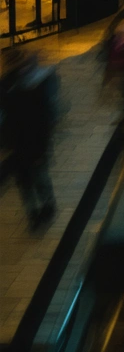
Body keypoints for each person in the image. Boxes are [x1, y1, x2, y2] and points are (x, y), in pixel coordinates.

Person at [0, 49, 59, 230]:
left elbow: (43, 119)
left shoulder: (26, 87)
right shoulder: (11, 85)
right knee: (31, 179)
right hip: (23, 144)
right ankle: (38, 212)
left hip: (25, 143)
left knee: (32, 179)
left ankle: (42, 209)